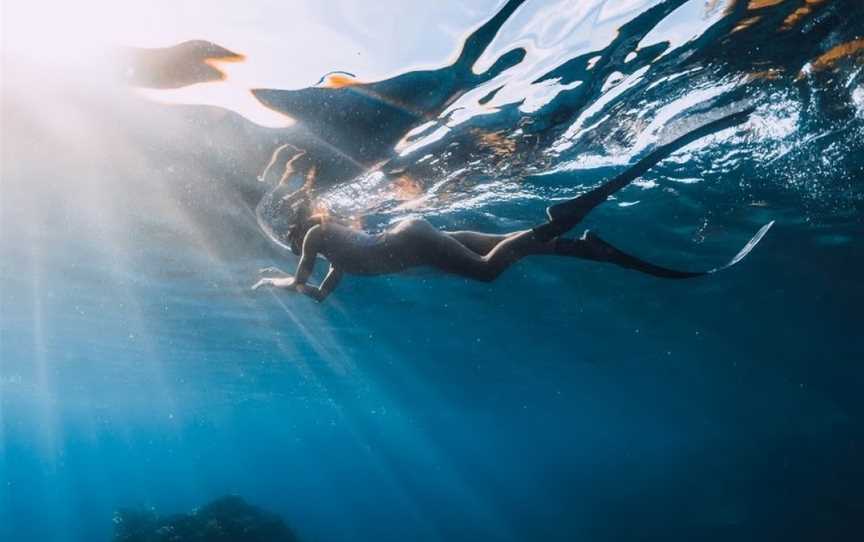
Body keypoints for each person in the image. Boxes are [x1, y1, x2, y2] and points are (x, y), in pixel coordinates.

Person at [252, 109, 773, 302]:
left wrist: (274, 283)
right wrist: (307, 291)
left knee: (486, 273)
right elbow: (319, 292)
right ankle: (584, 247)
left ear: (293, 229)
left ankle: (563, 219)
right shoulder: (335, 253)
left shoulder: (319, 240)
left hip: (413, 240)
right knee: (513, 249)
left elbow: (300, 282)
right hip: (416, 238)